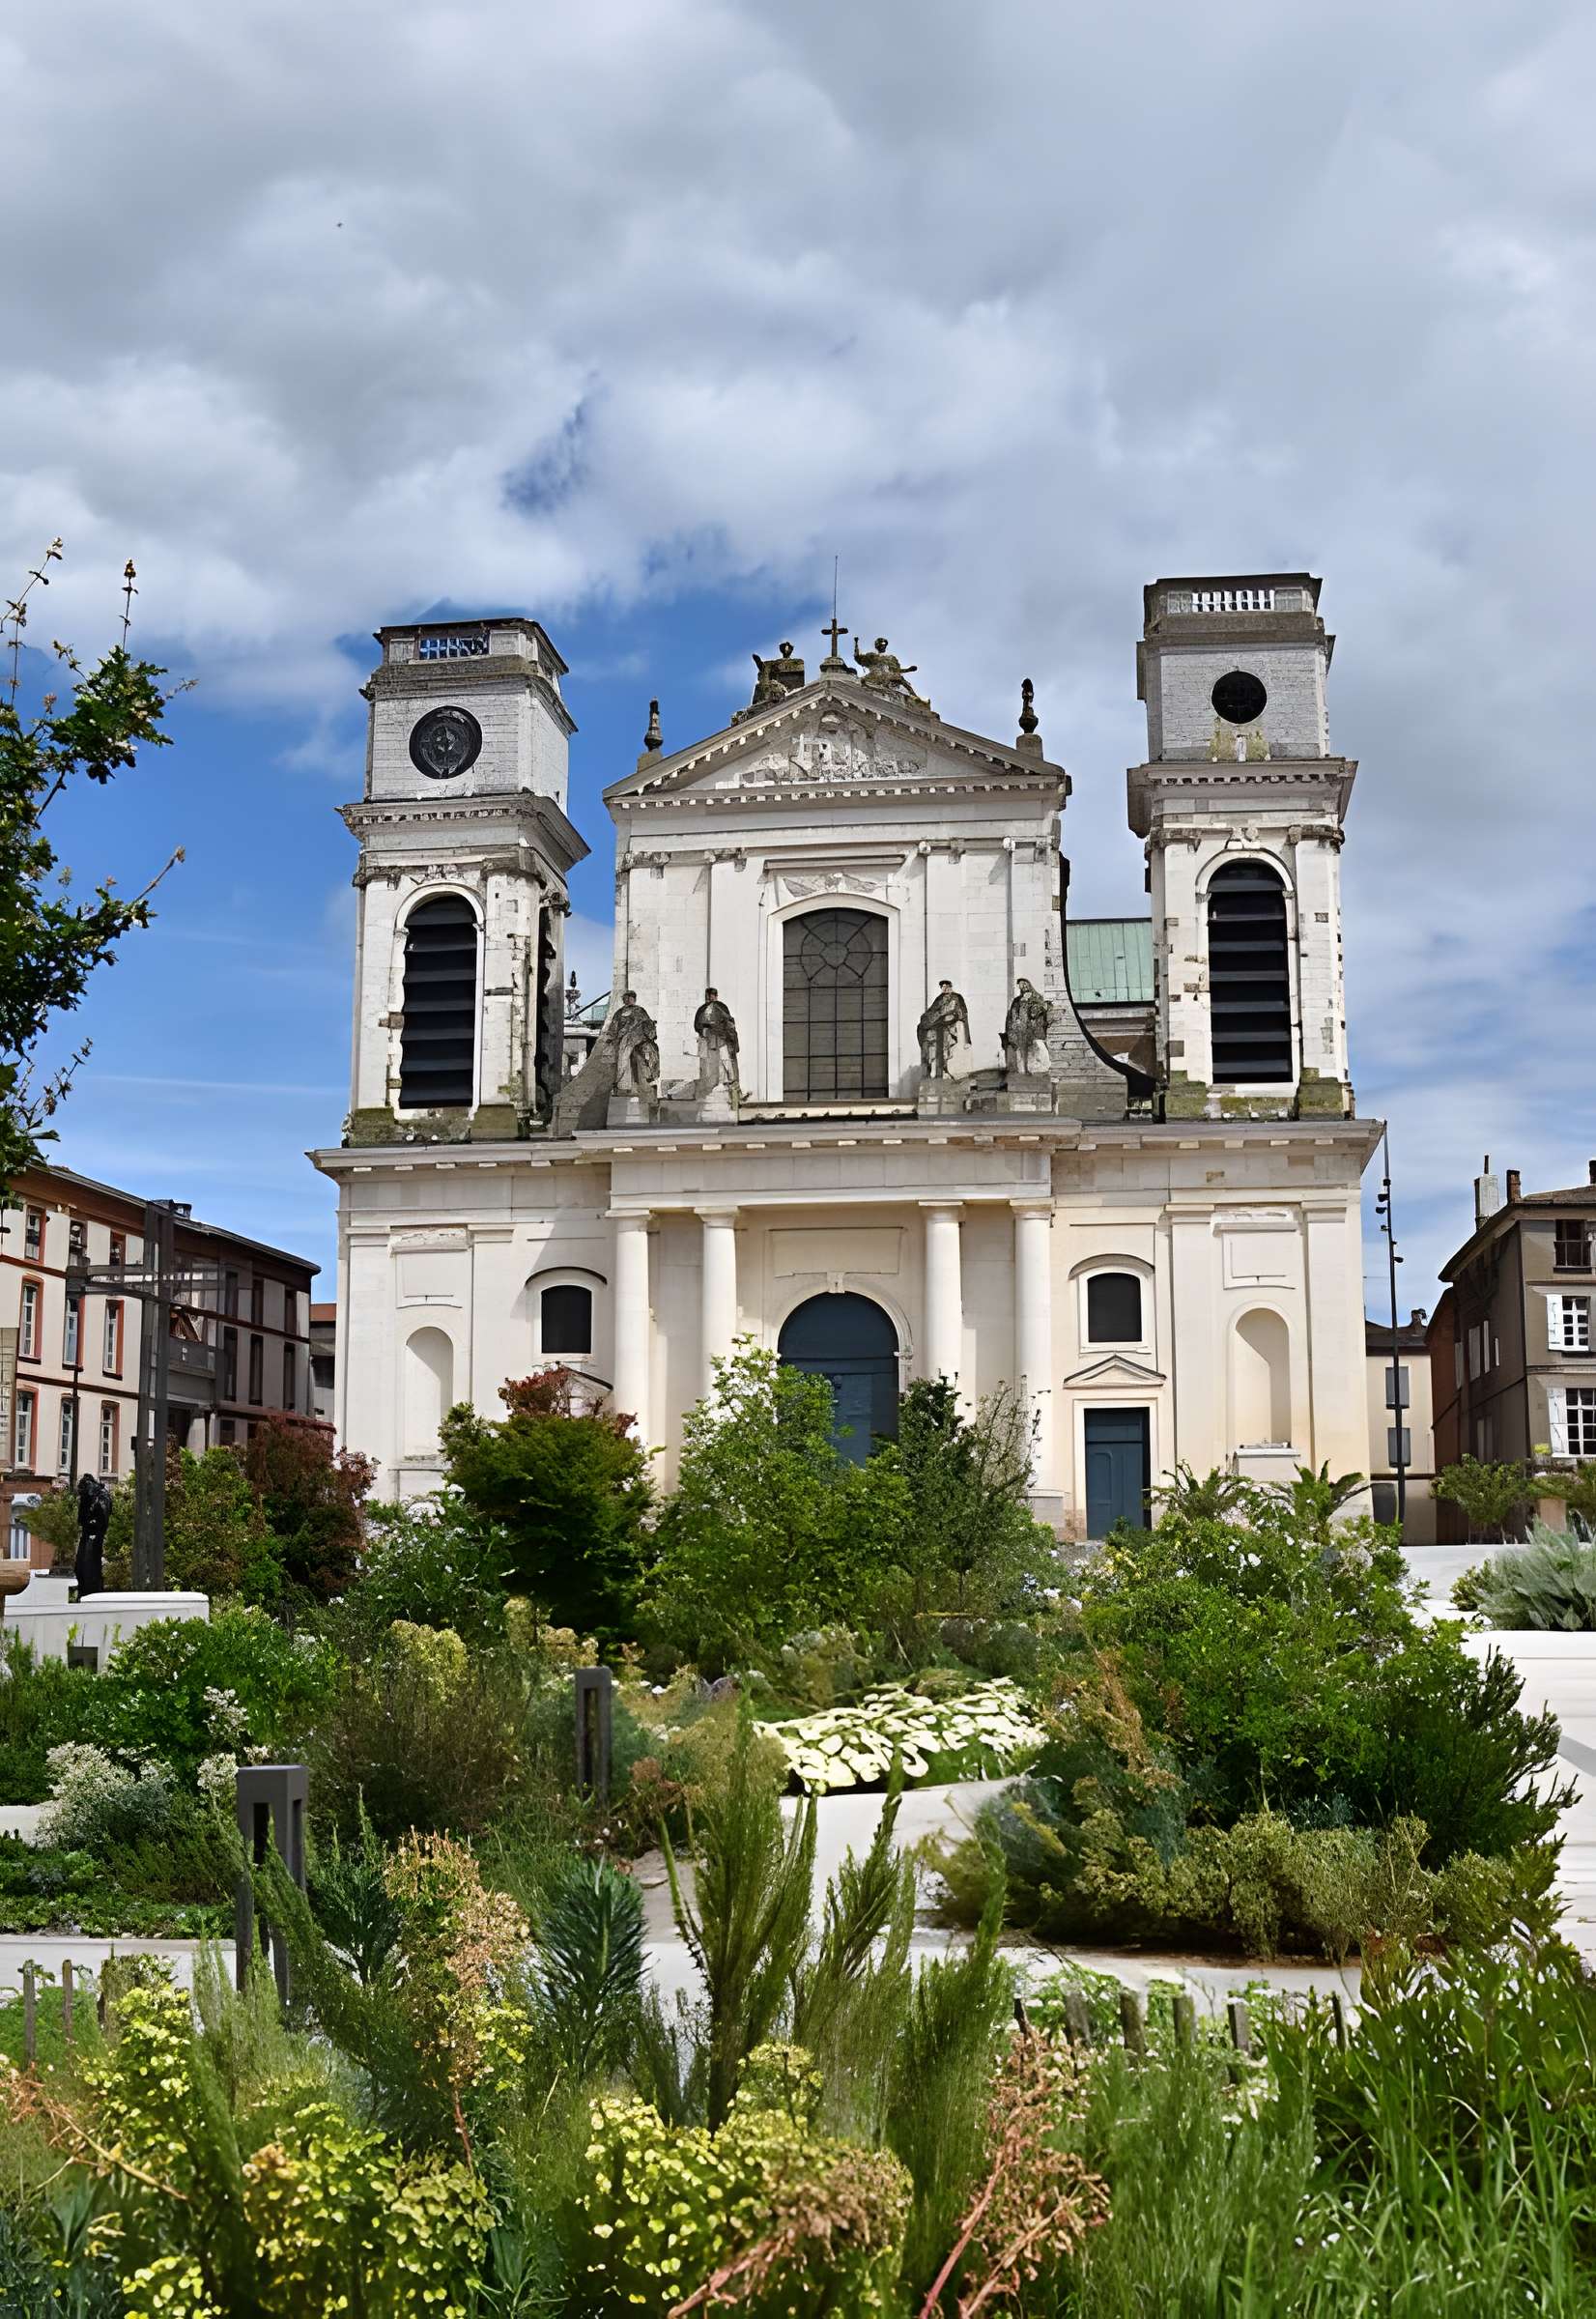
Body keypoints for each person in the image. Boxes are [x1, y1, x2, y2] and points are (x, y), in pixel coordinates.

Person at [916, 980, 971, 1078]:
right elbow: (932, 1010)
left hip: (951, 1021)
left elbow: (959, 1011)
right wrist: (927, 1017)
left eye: (946, 986)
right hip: (939, 1022)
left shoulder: (957, 997)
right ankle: (931, 1063)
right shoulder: (939, 998)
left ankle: (944, 1065)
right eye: (943, 987)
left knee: (944, 1034)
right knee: (924, 1028)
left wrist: (943, 1014)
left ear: (950, 986)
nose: (945, 988)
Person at [609, 991, 660, 1095]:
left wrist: (650, 1035)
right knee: (621, 1056)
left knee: (649, 1054)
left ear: (633, 999)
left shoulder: (639, 1011)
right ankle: (620, 1083)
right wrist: (613, 1036)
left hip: (639, 1039)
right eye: (625, 998)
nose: (626, 1000)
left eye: (629, 998)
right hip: (623, 1040)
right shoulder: (619, 1012)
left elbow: (648, 1025)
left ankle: (649, 1078)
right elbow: (613, 1027)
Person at [1003, 977, 1051, 1077]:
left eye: (1025, 983)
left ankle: (1040, 1069)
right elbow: (1013, 1014)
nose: (1023, 986)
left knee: (1038, 1048)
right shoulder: (1017, 1000)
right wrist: (1015, 1024)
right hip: (1021, 1029)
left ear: (1029, 984)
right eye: (1021, 984)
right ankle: (1024, 1070)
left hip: (1034, 1029)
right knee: (1022, 1051)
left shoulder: (1037, 998)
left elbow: (1038, 1012)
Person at [694, 987, 740, 1092]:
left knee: (723, 1059)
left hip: (721, 1038)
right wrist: (704, 1030)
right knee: (714, 1062)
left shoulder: (720, 1007)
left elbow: (729, 1022)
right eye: (709, 996)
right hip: (709, 1039)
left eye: (711, 996)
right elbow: (697, 1025)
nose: (710, 998)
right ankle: (719, 1082)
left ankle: (726, 1081)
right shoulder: (705, 1009)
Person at [74, 1470, 111, 1599]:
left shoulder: (98, 1495)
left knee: (89, 1564)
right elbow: (82, 1519)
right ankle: (85, 1590)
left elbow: (101, 1517)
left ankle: (90, 1591)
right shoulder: (90, 1496)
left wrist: (91, 1522)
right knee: (82, 1565)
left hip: (95, 1534)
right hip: (89, 1533)